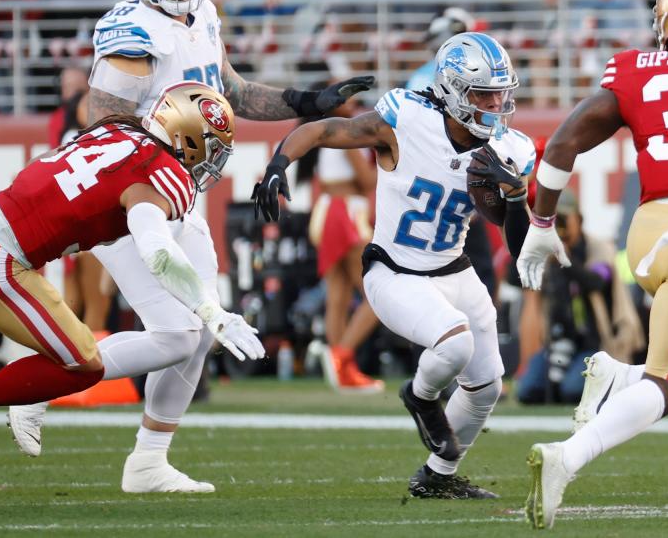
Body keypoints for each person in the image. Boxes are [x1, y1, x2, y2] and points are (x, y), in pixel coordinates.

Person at [6, 0, 373, 494]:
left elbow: (233, 91)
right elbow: (99, 121)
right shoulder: (133, 28)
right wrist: (159, 142)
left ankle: (149, 460)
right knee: (177, 331)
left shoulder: (203, 16)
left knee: (200, 332)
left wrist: (308, 100)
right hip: (126, 199)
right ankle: (37, 382)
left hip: (183, 195)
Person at [253, 32, 537, 499]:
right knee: (455, 344)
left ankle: (437, 477)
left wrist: (515, 197)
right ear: (451, 90)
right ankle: (420, 397)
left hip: (455, 269)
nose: (495, 104)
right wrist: (278, 163)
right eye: (483, 93)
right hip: (394, 271)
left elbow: (519, 242)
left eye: (501, 93)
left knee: (486, 386)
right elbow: (323, 130)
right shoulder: (406, 120)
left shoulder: (510, 150)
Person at [518, 0, 668, 529]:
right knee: (667, 384)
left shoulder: (632, 68)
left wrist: (542, 220)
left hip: (647, 230)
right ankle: (567, 456)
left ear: (664, 20)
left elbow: (561, 144)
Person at [0, 81, 262, 419]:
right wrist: (212, 312)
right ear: (187, 137)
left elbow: (43, 162)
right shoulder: (164, 174)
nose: (214, 162)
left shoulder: (117, 130)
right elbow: (158, 253)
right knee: (86, 365)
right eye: (213, 149)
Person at [515, 191, 642, 405]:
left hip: (596, 343)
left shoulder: (599, 248)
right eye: (555, 220)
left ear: (579, 219)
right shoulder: (548, 254)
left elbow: (596, 281)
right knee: (527, 392)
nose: (561, 226)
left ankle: (605, 379)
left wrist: (567, 260)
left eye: (564, 219)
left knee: (572, 392)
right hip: (559, 343)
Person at [304, 88, 383, 393]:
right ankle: (342, 357)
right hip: (347, 213)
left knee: (337, 294)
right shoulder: (347, 134)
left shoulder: (324, 133)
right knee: (377, 295)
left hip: (326, 212)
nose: (351, 100)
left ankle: (340, 369)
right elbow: (367, 181)